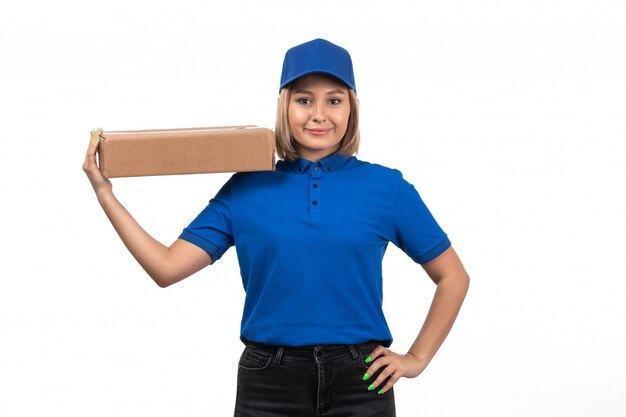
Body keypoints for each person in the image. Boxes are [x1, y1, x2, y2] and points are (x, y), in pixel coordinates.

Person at [83, 38, 470, 417]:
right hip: (269, 382)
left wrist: (416, 358)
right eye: (304, 100)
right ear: (284, 106)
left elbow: (452, 276)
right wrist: (106, 196)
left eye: (334, 100)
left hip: (361, 381)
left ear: (351, 108)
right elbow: (166, 268)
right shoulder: (246, 187)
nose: (319, 114)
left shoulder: (388, 188)